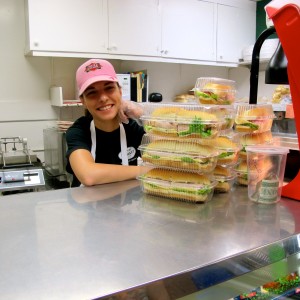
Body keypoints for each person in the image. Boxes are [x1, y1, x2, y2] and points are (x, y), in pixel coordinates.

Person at [66, 59, 147, 187]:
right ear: (83, 101)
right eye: (92, 93)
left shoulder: (132, 127)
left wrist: (142, 115)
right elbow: (88, 175)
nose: (103, 98)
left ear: (120, 92)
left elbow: (177, 143)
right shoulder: (79, 131)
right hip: (87, 206)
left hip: (129, 205)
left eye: (109, 88)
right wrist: (147, 171)